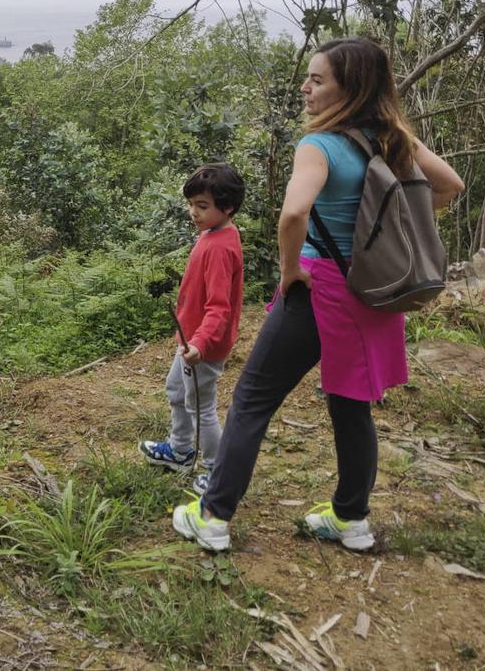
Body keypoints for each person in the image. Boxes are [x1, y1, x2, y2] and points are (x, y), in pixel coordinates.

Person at [172, 38, 464, 552]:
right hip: (374, 290)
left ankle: (213, 516)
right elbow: (449, 186)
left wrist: (289, 272)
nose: (305, 88)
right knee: (352, 406)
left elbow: (293, 214)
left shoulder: (319, 145)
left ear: (349, 88)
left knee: (252, 401)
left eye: (318, 80)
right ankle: (351, 519)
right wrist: (382, 236)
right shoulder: (392, 138)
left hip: (319, 287)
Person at [140, 163, 245, 493]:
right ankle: (181, 450)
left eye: (202, 206)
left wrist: (199, 343)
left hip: (203, 347)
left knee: (202, 408)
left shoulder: (219, 247)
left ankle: (217, 471)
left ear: (227, 207)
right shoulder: (214, 233)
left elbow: (219, 307)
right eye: (192, 205)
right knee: (175, 390)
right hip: (192, 341)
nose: (193, 213)